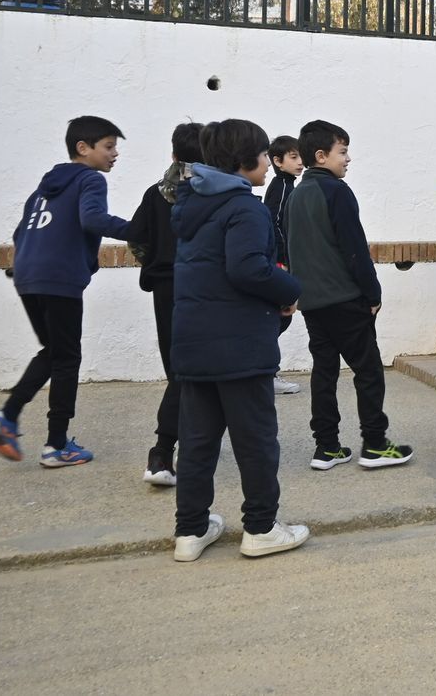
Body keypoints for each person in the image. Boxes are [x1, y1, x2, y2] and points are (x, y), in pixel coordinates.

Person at [169, 119, 307, 562]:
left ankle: (190, 532)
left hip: (193, 341)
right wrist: (289, 290)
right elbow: (246, 268)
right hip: (239, 345)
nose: (268, 162)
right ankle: (262, 527)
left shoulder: (191, 205)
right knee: (256, 440)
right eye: (265, 154)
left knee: (197, 442)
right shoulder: (245, 207)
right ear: (245, 160)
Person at [0, 116, 130, 468]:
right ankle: (56, 445)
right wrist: (141, 229)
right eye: (108, 146)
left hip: (28, 276)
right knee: (66, 358)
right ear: (84, 148)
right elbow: (92, 220)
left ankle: (8, 415)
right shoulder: (90, 179)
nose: (115, 153)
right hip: (59, 279)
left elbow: (20, 234)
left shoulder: (42, 189)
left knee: (54, 351)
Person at [286, 120, 413, 472]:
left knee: (324, 373)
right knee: (368, 371)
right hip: (345, 298)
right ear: (321, 155)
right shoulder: (336, 192)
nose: (348, 159)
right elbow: (354, 249)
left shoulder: (296, 196)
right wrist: (372, 293)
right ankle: (375, 443)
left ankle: (326, 447)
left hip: (312, 302)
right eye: (342, 152)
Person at [124, 121, 204, 488]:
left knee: (178, 370)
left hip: (164, 289)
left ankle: (166, 452)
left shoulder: (155, 193)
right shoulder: (210, 193)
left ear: (173, 154)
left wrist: (155, 265)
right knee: (195, 371)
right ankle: (166, 450)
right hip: (202, 289)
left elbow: (136, 239)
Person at [262, 134, 305, 396]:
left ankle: (267, 371)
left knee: (282, 320)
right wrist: (281, 262)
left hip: (286, 261)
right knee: (278, 319)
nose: (300, 162)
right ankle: (268, 372)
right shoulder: (281, 187)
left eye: (301, 156)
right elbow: (274, 223)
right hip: (280, 263)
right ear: (277, 161)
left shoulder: (290, 185)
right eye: (293, 157)